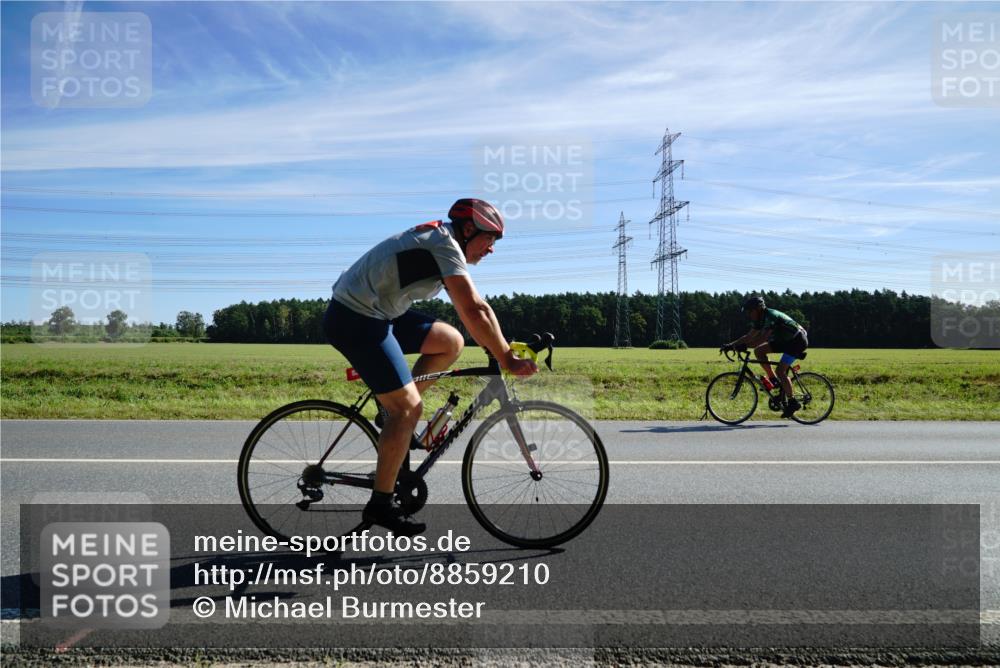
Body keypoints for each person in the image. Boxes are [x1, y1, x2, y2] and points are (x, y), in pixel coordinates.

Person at [323, 198, 537, 536]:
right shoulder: (444, 244)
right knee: (409, 409)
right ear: (468, 230)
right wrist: (506, 359)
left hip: (382, 312)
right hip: (355, 318)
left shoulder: (446, 241)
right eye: (490, 239)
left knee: (450, 341)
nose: (491, 249)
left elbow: (479, 307)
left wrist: (504, 349)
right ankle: (380, 503)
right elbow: (473, 310)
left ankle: (391, 412)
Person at [722, 295, 808, 418]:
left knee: (781, 371)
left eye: (750, 311)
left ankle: (793, 402)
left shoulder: (770, 316)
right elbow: (749, 336)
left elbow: (762, 338)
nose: (749, 315)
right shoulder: (760, 319)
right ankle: (774, 380)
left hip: (797, 341)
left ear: (758, 309)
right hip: (785, 340)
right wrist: (731, 345)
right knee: (759, 351)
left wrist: (744, 346)